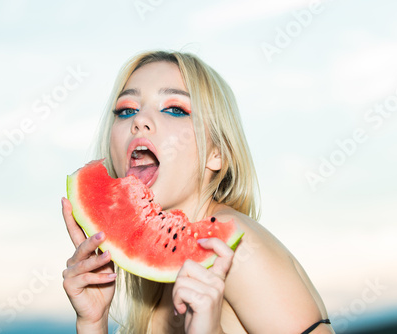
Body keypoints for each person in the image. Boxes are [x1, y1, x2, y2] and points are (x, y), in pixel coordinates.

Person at [61, 50, 334, 333]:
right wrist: (93, 322)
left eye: (175, 109)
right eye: (126, 109)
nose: (139, 120)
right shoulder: (155, 281)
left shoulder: (237, 250)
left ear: (216, 152)